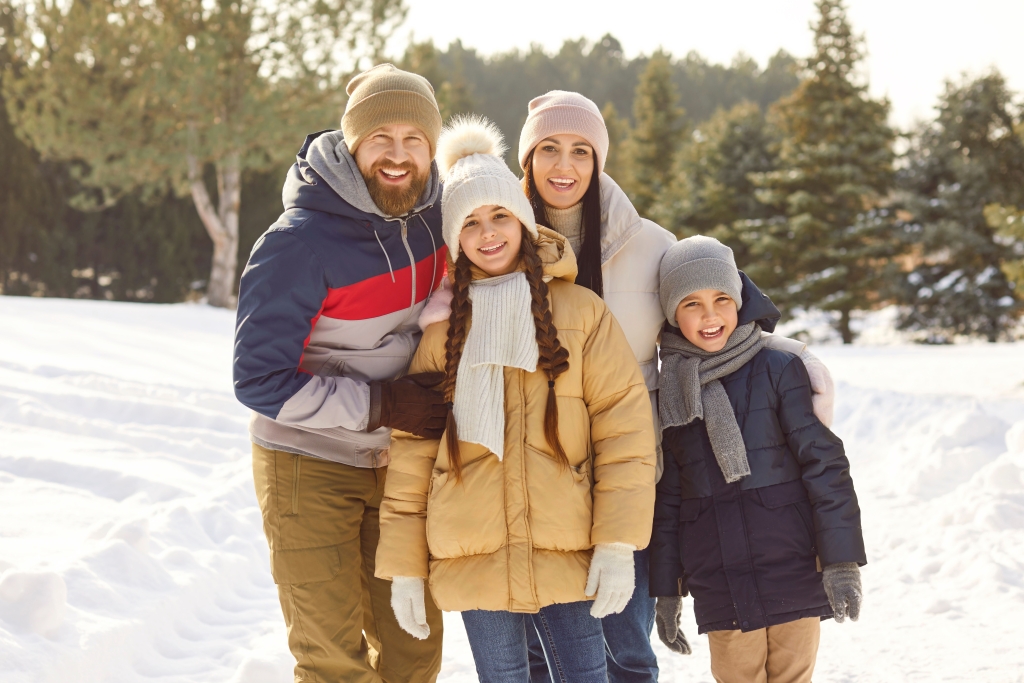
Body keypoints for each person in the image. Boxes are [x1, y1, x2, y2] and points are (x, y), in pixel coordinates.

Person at [510, 91, 837, 681]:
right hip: (534, 464)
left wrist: (778, 348)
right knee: (546, 642)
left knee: (626, 643)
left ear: (600, 160)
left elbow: (708, 306)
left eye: (581, 151)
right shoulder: (498, 238)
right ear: (527, 158)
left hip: (630, 464)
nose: (565, 166)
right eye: (549, 149)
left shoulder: (651, 244)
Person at [374, 116, 657, 683]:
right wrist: (404, 568)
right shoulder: (440, 335)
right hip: (472, 550)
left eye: (500, 214)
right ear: (455, 239)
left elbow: (624, 433)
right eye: (471, 223)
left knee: (587, 675)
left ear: (524, 221)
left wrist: (618, 541)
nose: (488, 232)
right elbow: (410, 458)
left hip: (566, 542)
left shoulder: (580, 313)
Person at [233, 64, 451, 683]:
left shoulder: (442, 218)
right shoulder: (298, 243)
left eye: (415, 139)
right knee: (332, 658)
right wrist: (381, 405)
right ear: (351, 143)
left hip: (401, 465)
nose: (398, 155)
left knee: (414, 651)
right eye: (381, 137)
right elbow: (258, 380)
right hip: (308, 464)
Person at [649, 236, 866, 683]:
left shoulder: (778, 369)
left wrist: (841, 561)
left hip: (791, 563)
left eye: (721, 299)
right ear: (672, 312)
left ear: (740, 300)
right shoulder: (670, 390)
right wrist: (666, 590)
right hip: (718, 575)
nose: (710, 316)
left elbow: (824, 467)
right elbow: (667, 499)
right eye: (691, 304)